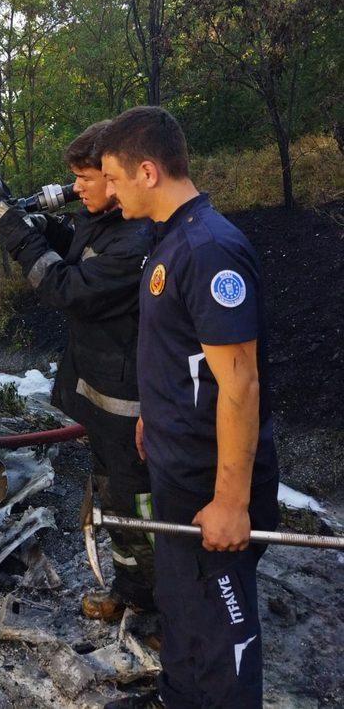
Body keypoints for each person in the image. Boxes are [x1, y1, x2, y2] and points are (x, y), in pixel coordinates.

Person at [99, 106, 279, 709]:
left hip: (212, 483)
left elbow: (240, 385)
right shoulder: (168, 240)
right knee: (182, 606)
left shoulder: (208, 250)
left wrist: (231, 501)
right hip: (177, 471)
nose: (110, 193)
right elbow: (184, 354)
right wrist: (156, 410)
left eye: (116, 179)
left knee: (219, 625)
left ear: (147, 172)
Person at [0, 121, 155, 619]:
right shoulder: (105, 219)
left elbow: (71, 289)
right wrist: (44, 227)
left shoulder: (137, 238)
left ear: (116, 174)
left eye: (86, 177)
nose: (77, 187)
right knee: (114, 503)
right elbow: (80, 245)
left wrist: (22, 239)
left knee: (139, 512)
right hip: (106, 405)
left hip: (133, 415)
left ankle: (156, 615)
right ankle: (130, 594)